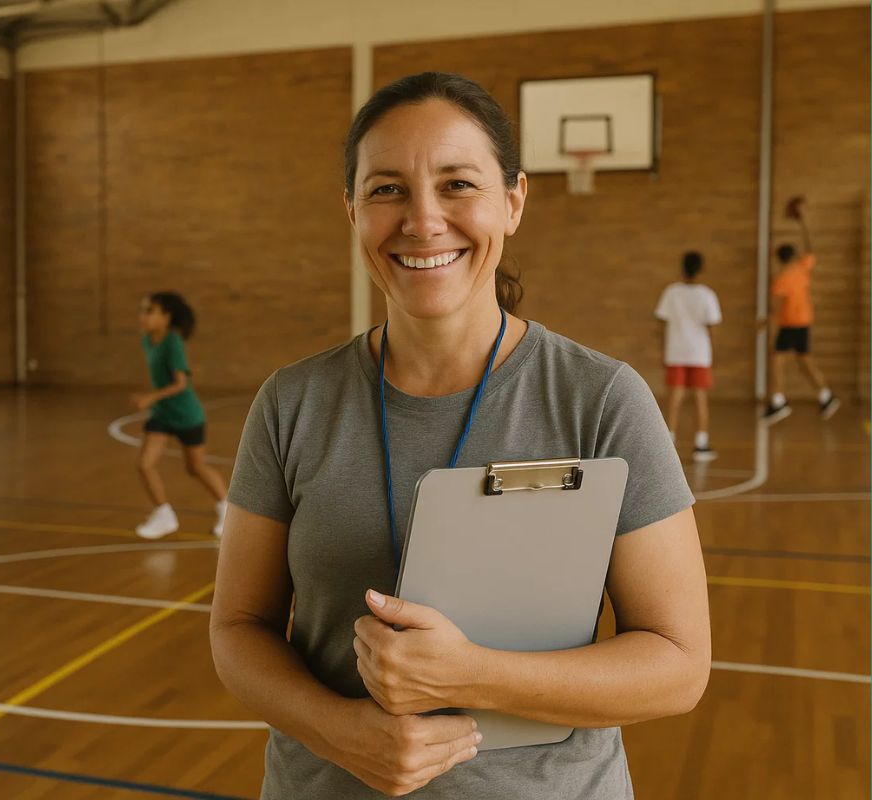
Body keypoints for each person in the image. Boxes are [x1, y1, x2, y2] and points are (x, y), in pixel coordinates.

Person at [210, 72, 710, 799]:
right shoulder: (293, 402)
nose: (421, 219)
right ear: (351, 211)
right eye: (386, 189)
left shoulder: (600, 399)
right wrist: (339, 732)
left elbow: (679, 666)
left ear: (512, 202)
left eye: (456, 185)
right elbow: (238, 628)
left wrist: (473, 674)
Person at [132, 292, 228, 539]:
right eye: (143, 310)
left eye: (150, 311)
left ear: (166, 317)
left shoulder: (173, 343)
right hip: (163, 415)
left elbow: (180, 383)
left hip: (187, 414)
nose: (143, 315)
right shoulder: (147, 340)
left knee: (195, 467)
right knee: (144, 464)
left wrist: (150, 397)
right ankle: (164, 514)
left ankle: (227, 510)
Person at [764, 197, 840, 423]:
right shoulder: (801, 269)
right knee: (805, 361)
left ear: (779, 258)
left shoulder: (781, 280)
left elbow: (775, 308)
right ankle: (826, 395)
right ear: (793, 257)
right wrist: (802, 221)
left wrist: (765, 323)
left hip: (789, 324)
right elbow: (811, 248)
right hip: (804, 322)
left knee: (777, 361)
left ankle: (778, 402)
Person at [656, 251, 723, 462]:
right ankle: (700, 444)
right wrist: (714, 349)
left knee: (675, 397)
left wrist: (662, 348)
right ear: (702, 269)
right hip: (699, 353)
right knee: (699, 397)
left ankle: (669, 441)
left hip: (676, 350)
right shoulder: (707, 294)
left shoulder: (671, 292)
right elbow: (712, 326)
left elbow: (661, 322)